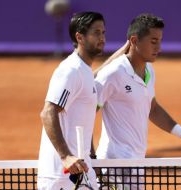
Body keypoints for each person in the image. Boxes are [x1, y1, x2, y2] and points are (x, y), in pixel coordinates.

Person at [94, 13, 181, 189]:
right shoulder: (112, 74)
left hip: (137, 163)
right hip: (113, 165)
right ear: (134, 40)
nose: (159, 47)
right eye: (153, 41)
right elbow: (87, 113)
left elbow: (152, 109)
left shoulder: (149, 71)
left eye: (160, 41)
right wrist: (93, 160)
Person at [37, 11, 106, 190]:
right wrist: (66, 156)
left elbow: (82, 119)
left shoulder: (85, 72)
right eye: (96, 33)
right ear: (80, 37)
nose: (102, 38)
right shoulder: (71, 70)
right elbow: (48, 112)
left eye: (103, 32)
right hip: (61, 175)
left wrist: (92, 156)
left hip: (82, 168)